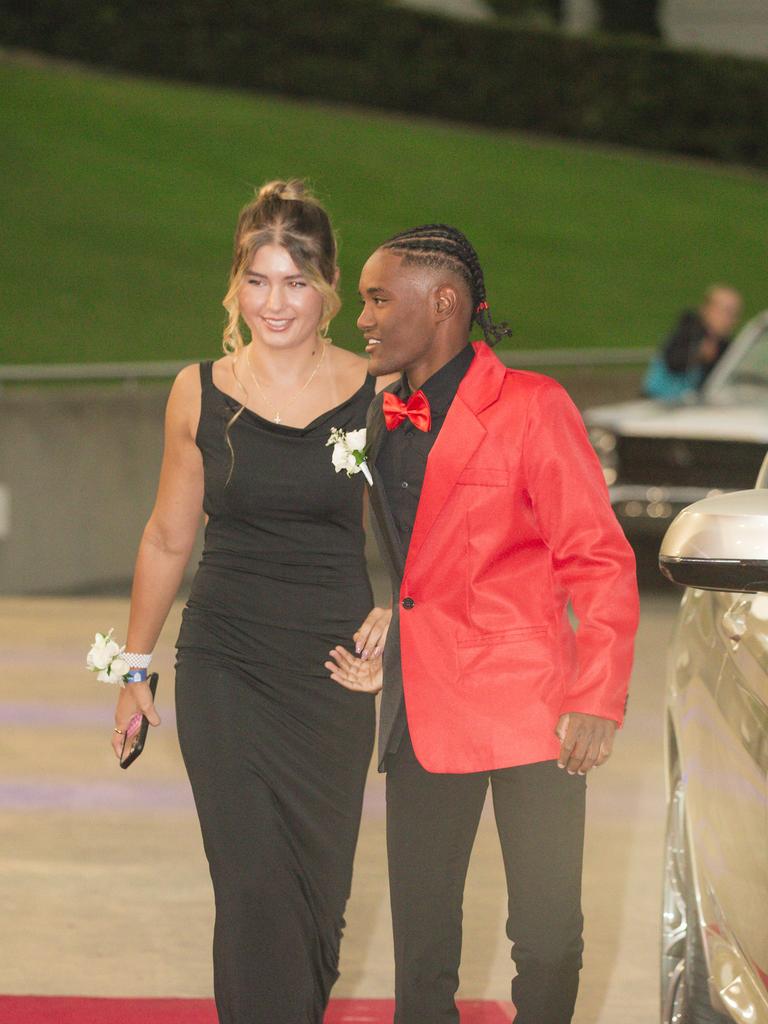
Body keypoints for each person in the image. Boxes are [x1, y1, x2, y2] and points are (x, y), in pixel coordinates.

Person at [327, 224, 639, 1024]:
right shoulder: (371, 414)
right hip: (422, 708)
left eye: (375, 298)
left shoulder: (535, 406)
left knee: (544, 934)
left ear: (442, 303)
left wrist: (596, 699)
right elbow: (415, 566)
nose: (359, 317)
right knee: (421, 945)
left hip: (534, 709)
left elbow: (598, 558)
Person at [110, 180, 393, 1024]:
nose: (276, 303)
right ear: (236, 283)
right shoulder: (198, 391)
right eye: (260, 280)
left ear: (330, 287)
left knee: (316, 897)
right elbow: (168, 537)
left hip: (334, 676)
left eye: (296, 282)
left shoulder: (375, 390)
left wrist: (403, 615)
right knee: (253, 883)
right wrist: (133, 667)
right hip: (224, 664)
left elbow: (427, 533)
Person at [643, 284, 742, 399]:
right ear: (707, 309)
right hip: (658, 401)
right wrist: (698, 355)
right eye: (727, 312)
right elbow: (673, 362)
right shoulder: (686, 331)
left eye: (735, 314)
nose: (732, 320)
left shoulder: (725, 345)